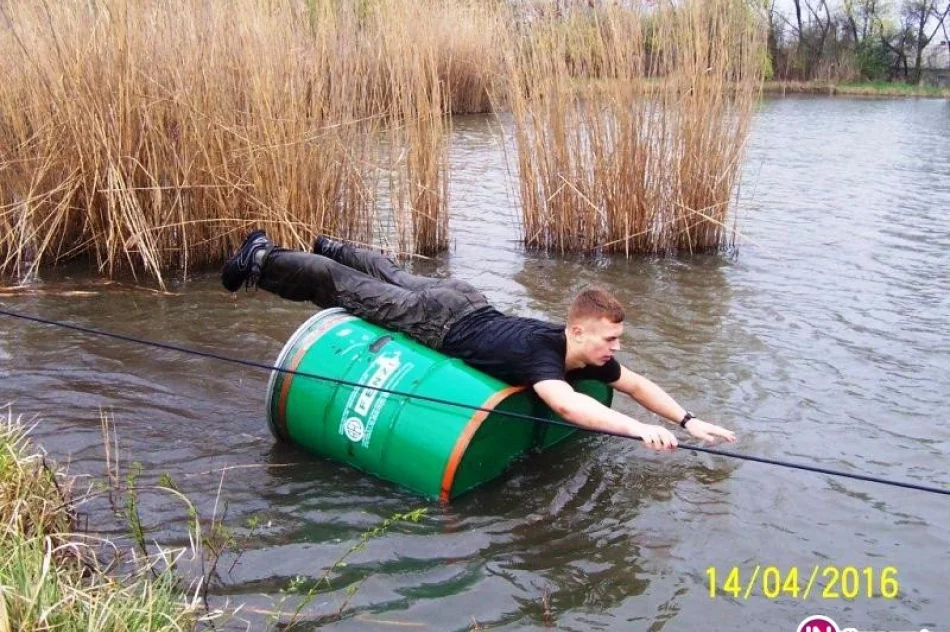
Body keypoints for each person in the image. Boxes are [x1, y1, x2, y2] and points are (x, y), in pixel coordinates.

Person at [222, 230, 737, 451]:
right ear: (576, 330)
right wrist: (638, 431)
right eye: (610, 339)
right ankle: (262, 259)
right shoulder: (546, 358)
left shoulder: (588, 356)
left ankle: (334, 243)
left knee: (389, 273)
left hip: (466, 298)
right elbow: (570, 409)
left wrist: (689, 421)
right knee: (340, 283)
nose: (616, 349)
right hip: (437, 322)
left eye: (618, 340)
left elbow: (639, 385)